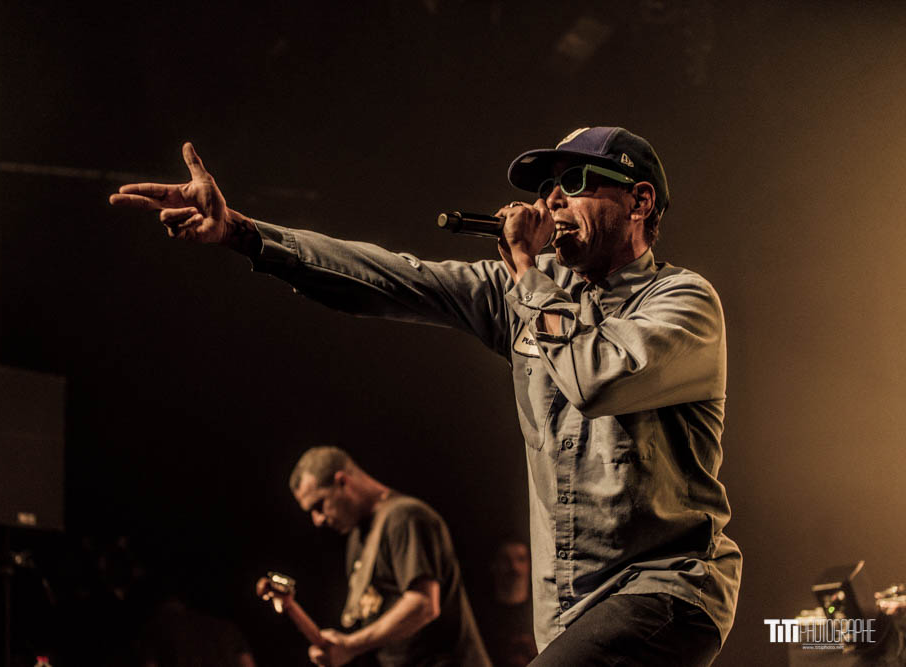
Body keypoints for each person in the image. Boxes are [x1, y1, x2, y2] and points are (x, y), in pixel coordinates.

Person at [110, 125, 742, 665]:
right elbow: (392, 278)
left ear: (639, 201)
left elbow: (594, 376)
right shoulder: (525, 293)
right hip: (569, 614)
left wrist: (524, 273)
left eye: (576, 181)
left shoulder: (682, 303)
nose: (551, 199)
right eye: (547, 187)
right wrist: (245, 234)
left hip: (665, 589)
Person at [286, 446, 490, 666]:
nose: (318, 519)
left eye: (319, 505)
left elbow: (423, 605)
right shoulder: (357, 537)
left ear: (342, 481)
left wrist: (351, 645)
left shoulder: (405, 517)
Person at [474, 539, 538, 667]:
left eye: (521, 559)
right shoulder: (478, 616)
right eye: (506, 560)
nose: (514, 567)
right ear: (493, 565)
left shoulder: (542, 612)